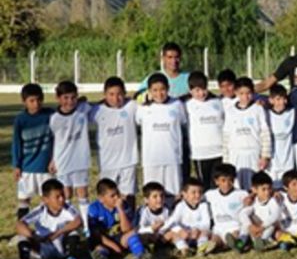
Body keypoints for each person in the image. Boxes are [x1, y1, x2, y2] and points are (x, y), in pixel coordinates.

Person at [135, 73, 187, 203]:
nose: (159, 93)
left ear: (168, 88)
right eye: (155, 90)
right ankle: (153, 221)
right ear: (149, 91)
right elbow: (138, 121)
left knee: (174, 195)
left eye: (162, 89)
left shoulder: (177, 105)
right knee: (153, 195)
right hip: (151, 159)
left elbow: (183, 121)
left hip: (172, 158)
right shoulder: (143, 108)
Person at [12, 178, 81, 259]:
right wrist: (34, 236)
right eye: (57, 197)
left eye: (62, 195)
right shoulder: (40, 210)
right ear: (45, 199)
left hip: (62, 246)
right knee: (22, 236)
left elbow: (78, 221)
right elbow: (20, 224)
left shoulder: (68, 208)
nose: (61, 199)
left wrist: (58, 233)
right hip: (42, 246)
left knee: (74, 232)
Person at [49, 80, 92, 232]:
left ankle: (86, 227)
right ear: (58, 98)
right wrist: (53, 160)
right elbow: (56, 141)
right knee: (66, 195)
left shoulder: (83, 109)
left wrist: (82, 100)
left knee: (83, 194)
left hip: (81, 161)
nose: (70, 101)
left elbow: (93, 103)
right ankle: (70, 227)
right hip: (63, 162)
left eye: (73, 97)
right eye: (65, 98)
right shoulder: (55, 119)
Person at [90, 77, 139, 208]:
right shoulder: (96, 111)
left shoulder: (132, 106)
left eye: (119, 94)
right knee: (108, 196)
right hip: (107, 163)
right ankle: (108, 224)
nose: (115, 98)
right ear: (104, 94)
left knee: (129, 195)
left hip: (128, 161)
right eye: (111, 94)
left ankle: (130, 222)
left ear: (125, 93)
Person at [12, 83, 55, 221]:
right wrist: (16, 165)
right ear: (24, 102)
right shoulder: (20, 120)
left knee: (49, 201)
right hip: (27, 168)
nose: (36, 104)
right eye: (31, 100)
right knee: (24, 200)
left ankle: (47, 230)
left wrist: (54, 159)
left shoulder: (50, 115)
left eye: (38, 100)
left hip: (46, 168)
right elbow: (16, 143)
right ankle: (22, 233)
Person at [88, 179, 150, 259]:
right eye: (112, 196)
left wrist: (120, 209)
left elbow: (127, 229)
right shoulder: (94, 208)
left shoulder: (123, 204)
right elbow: (96, 233)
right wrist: (114, 246)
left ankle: (142, 256)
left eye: (118, 194)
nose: (117, 198)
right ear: (101, 199)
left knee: (132, 234)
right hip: (103, 240)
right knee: (98, 246)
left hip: (119, 238)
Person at [222, 77, 271, 191]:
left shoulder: (258, 109)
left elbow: (265, 133)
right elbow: (226, 136)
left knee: (254, 187)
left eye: (248, 93)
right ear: (236, 93)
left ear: (253, 92)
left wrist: (265, 155)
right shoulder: (230, 111)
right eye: (241, 93)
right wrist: (226, 160)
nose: (245, 96)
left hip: (253, 153)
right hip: (236, 154)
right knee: (237, 187)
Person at [185, 71, 225, 190]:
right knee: (205, 186)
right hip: (200, 154)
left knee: (218, 185)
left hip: (219, 152)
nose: (201, 93)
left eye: (204, 89)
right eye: (197, 90)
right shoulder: (186, 105)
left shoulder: (217, 102)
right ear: (190, 90)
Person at [163, 177, 215, 257]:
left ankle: (201, 249)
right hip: (185, 235)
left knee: (206, 232)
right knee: (173, 235)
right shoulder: (180, 206)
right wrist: (181, 230)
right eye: (193, 192)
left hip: (198, 235)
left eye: (200, 192)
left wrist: (196, 229)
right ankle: (184, 249)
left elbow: (207, 223)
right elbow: (173, 221)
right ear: (184, 194)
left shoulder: (204, 205)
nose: (197, 195)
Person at [205, 163, 250, 253]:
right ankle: (224, 245)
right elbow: (196, 199)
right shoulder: (210, 194)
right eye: (223, 180)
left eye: (230, 180)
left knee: (236, 235)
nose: (227, 184)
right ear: (216, 181)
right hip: (218, 229)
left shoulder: (242, 194)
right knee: (214, 242)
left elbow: (255, 198)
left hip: (235, 227)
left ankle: (235, 244)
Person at [241, 171, 284, 252]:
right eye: (263, 189)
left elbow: (275, 215)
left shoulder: (273, 201)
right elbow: (243, 213)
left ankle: (262, 242)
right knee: (245, 224)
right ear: (254, 189)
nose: (267, 192)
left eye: (269, 188)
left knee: (272, 225)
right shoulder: (254, 201)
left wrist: (262, 227)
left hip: (267, 231)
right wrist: (250, 226)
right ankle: (240, 243)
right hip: (256, 230)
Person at [266, 84, 295, 189]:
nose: (280, 103)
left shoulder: (292, 113)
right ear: (271, 100)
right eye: (277, 99)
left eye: (283, 99)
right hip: (272, 164)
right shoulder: (266, 115)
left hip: (288, 161)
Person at [135, 181, 174, 251]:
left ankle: (160, 246)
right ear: (146, 200)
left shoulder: (168, 210)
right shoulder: (142, 212)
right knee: (142, 237)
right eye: (155, 197)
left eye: (162, 196)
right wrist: (152, 228)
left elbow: (172, 224)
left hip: (163, 235)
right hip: (149, 235)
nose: (159, 199)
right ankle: (145, 249)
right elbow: (138, 229)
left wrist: (162, 229)